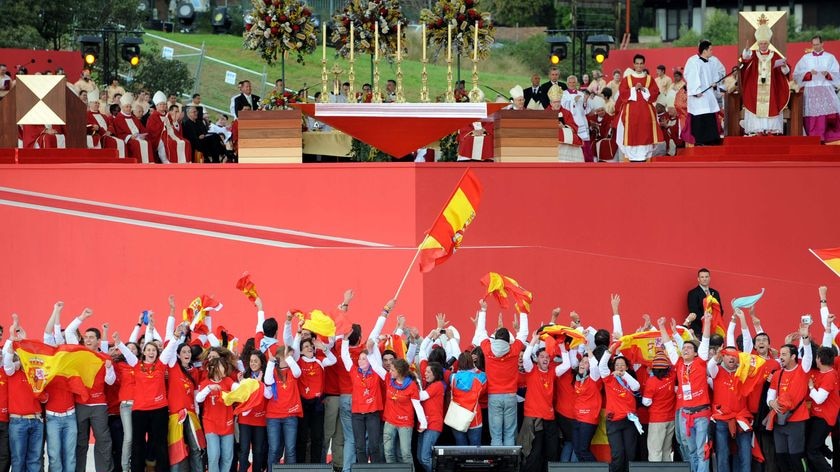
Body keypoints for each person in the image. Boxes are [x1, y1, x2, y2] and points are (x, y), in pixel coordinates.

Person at [64, 309, 116, 472]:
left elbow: (111, 381)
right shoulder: (79, 353)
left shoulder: (105, 357)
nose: (87, 340)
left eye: (91, 337)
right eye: (86, 337)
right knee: (80, 442)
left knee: (103, 441)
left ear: (98, 340)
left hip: (99, 405)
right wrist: (82, 317)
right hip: (80, 404)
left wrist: (108, 369)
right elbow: (69, 331)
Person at [472, 299, 528, 446]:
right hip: (510, 396)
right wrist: (523, 311)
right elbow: (523, 333)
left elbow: (480, 333)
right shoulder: (514, 349)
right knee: (510, 433)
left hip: (494, 396)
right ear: (508, 340)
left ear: (495, 338)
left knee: (496, 434)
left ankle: (497, 465)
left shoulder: (488, 349)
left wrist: (483, 310)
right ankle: (509, 465)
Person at [660, 313, 711, 472]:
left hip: (702, 414)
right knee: (691, 450)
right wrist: (662, 326)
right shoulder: (679, 364)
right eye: (684, 348)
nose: (686, 349)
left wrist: (707, 322)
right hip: (685, 415)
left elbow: (706, 340)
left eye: (689, 348)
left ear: (696, 353)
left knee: (702, 450)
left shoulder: (701, 362)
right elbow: (669, 344)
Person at [766, 324, 812, 472]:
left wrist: (805, 338)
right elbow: (771, 394)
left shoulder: (802, 370)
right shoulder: (778, 373)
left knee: (795, 457)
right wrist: (771, 402)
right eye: (780, 354)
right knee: (781, 457)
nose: (781, 357)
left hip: (796, 421)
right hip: (779, 420)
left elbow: (808, 357)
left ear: (793, 356)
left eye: (784, 354)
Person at [740, 16, 790, 136]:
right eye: (761, 43)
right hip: (755, 89)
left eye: (765, 43)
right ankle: (757, 129)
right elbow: (745, 60)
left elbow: (785, 72)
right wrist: (746, 51)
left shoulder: (775, 55)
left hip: (771, 89)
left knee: (771, 105)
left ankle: (770, 129)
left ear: (768, 43)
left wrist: (783, 65)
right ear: (758, 43)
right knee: (755, 105)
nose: (763, 45)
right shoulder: (753, 54)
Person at [614, 54, 664, 161]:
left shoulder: (650, 79)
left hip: (646, 112)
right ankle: (632, 158)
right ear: (634, 64)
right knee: (632, 133)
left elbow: (655, 93)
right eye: (637, 63)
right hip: (631, 112)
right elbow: (622, 93)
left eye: (641, 64)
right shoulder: (627, 79)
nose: (639, 66)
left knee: (645, 133)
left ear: (644, 64)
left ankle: (645, 158)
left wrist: (644, 89)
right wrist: (633, 89)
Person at [599, 349, 641, 472]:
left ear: (627, 367)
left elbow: (636, 387)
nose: (619, 367)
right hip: (614, 421)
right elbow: (602, 365)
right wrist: (610, 350)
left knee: (630, 453)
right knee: (617, 454)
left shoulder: (630, 380)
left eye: (622, 365)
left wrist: (624, 374)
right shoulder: (609, 379)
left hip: (629, 420)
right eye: (617, 365)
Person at [793, 35, 840, 143]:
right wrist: (809, 73)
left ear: (822, 44)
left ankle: (827, 135)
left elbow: (837, 74)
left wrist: (828, 74)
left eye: (817, 44)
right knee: (813, 113)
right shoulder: (805, 58)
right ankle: (814, 135)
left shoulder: (830, 57)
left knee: (827, 114)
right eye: (814, 45)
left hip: (825, 88)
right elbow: (796, 74)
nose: (816, 47)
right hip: (811, 89)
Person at [684, 40, 726, 146]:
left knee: (710, 115)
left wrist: (715, 83)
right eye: (710, 49)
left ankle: (712, 140)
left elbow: (717, 75)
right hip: (699, 96)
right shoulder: (693, 61)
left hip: (709, 95)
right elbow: (690, 76)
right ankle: (700, 141)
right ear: (705, 50)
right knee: (700, 118)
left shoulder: (712, 62)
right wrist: (695, 91)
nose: (712, 52)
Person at [560, 76, 594, 162]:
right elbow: (563, 106)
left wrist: (585, 101)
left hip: (581, 120)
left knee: (585, 144)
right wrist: (573, 101)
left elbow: (586, 110)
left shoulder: (581, 94)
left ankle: (587, 162)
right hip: (570, 121)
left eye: (573, 82)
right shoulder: (563, 94)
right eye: (570, 82)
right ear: (567, 83)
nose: (572, 84)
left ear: (576, 83)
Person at [112, 94, 152, 164]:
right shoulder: (118, 119)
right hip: (129, 141)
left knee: (147, 142)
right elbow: (118, 134)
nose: (129, 108)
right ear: (122, 107)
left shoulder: (134, 118)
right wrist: (130, 137)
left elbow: (143, 130)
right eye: (127, 107)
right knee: (136, 143)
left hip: (138, 138)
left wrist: (143, 135)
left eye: (130, 107)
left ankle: (148, 164)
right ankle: (137, 164)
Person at [687, 268, 723, 337]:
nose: (704, 279)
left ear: (709, 278)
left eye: (706, 277)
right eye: (702, 277)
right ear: (698, 279)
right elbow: (693, 310)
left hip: (714, 328)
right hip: (699, 328)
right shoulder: (693, 293)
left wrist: (714, 320)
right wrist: (706, 320)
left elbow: (720, 310)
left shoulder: (715, 293)